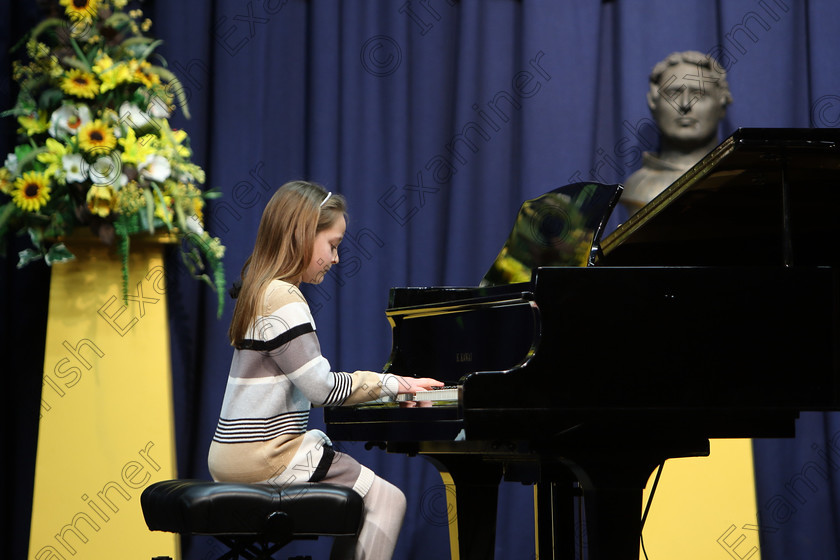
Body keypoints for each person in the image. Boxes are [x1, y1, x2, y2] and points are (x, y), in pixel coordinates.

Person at [207, 180, 443, 560]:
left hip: (230, 455)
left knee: (362, 499)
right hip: (267, 457)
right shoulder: (283, 296)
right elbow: (320, 389)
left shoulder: (259, 289)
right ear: (301, 235)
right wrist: (393, 384)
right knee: (389, 500)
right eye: (332, 246)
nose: (335, 259)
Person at [621, 51, 733, 215]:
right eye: (673, 94)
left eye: (699, 94)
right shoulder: (637, 187)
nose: (685, 104)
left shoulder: (739, 181)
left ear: (721, 104)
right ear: (653, 103)